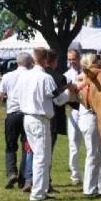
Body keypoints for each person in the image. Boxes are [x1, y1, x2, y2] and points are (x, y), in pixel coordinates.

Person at [17, 48, 74, 201]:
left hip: (27, 117)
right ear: (45, 60)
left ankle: (41, 190)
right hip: (39, 118)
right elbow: (57, 98)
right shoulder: (45, 77)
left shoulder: (25, 76)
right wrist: (69, 92)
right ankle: (37, 193)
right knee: (41, 157)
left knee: (40, 155)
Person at [0, 52, 33, 189]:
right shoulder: (32, 76)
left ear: (17, 62)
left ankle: (11, 172)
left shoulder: (7, 77)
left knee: (10, 147)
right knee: (27, 147)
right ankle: (24, 178)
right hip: (27, 114)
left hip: (12, 115)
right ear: (29, 62)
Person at [78, 53, 101, 197]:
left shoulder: (94, 77)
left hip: (97, 117)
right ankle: (89, 189)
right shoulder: (83, 78)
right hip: (89, 117)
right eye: (95, 62)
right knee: (93, 153)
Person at [44, 50, 68, 191]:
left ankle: (29, 179)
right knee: (47, 152)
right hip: (52, 118)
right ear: (54, 61)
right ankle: (46, 182)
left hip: (34, 116)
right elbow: (59, 100)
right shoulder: (58, 78)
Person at [63, 49, 83, 185]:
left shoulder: (86, 73)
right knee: (73, 144)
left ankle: (93, 174)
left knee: (92, 145)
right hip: (74, 110)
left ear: (79, 58)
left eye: (73, 59)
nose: (71, 62)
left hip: (88, 111)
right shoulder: (66, 75)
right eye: (69, 59)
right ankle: (75, 174)